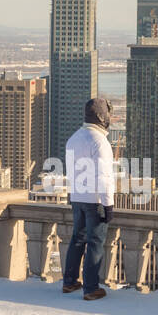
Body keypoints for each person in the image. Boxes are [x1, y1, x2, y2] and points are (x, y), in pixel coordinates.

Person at [63, 97, 116, 301]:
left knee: (77, 240)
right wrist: (108, 204)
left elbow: (71, 172)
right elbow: (103, 177)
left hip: (77, 197)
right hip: (95, 200)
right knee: (95, 242)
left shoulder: (73, 138)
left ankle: (69, 282)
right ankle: (91, 288)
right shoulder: (100, 142)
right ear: (102, 117)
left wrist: (73, 196)